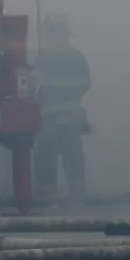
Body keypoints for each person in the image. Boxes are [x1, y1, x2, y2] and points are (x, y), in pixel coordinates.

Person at [34, 15, 92, 199]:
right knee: (73, 154)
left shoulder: (43, 57)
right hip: (71, 113)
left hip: (48, 114)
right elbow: (86, 84)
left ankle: (47, 194)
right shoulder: (77, 56)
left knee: (46, 153)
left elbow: (32, 83)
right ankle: (77, 192)